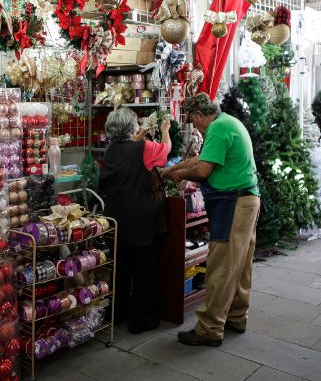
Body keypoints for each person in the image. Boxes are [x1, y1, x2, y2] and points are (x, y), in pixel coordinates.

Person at [161, 93, 260, 347]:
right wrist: (174, 168)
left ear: (199, 115)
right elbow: (203, 158)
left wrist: (178, 175)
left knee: (221, 266)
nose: (196, 127)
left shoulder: (217, 127)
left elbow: (203, 170)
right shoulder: (227, 122)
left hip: (235, 203)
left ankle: (209, 327)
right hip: (247, 200)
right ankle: (236, 317)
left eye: (194, 122)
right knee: (240, 264)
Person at [99, 107, 171, 334]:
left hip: (116, 217)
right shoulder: (145, 148)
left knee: (120, 267)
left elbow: (129, 147)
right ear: (132, 128)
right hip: (141, 218)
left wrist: (139, 136)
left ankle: (117, 313)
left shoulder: (110, 150)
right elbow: (165, 151)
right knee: (144, 270)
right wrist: (165, 130)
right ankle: (141, 319)